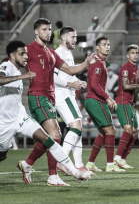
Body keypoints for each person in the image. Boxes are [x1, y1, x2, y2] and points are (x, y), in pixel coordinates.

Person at [0, 41, 92, 185]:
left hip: (20, 117)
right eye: (22, 54)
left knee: (50, 138)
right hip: (4, 122)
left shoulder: (19, 69)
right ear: (12, 55)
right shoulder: (7, 67)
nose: (26, 56)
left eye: (26, 53)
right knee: (2, 155)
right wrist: (21, 77)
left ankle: (74, 172)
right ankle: (28, 164)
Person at [20, 18, 98, 186]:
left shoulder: (50, 53)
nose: (48, 32)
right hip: (37, 96)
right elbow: (12, 61)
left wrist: (87, 63)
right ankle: (54, 175)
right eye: (44, 29)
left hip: (50, 98)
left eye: (49, 29)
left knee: (47, 137)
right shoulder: (28, 49)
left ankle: (27, 164)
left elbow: (70, 70)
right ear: (36, 31)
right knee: (56, 134)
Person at [53, 27, 91, 176]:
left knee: (78, 128)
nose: (75, 40)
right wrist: (71, 84)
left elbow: (68, 75)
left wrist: (78, 81)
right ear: (64, 38)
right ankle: (62, 161)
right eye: (73, 37)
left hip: (68, 93)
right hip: (62, 94)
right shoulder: (58, 53)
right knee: (76, 126)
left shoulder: (68, 53)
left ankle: (79, 164)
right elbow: (54, 78)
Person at [113, 45, 139, 168]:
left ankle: (123, 160)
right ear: (128, 55)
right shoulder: (126, 68)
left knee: (135, 133)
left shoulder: (136, 69)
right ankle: (117, 158)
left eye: (137, 53)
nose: (135, 55)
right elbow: (126, 86)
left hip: (130, 103)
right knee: (129, 130)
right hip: (123, 101)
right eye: (132, 53)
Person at [85, 37, 124, 172]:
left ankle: (90, 164)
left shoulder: (99, 62)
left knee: (103, 133)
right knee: (111, 130)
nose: (107, 47)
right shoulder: (98, 63)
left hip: (91, 100)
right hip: (96, 100)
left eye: (108, 44)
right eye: (104, 44)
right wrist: (108, 98)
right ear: (97, 47)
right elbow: (95, 84)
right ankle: (110, 165)